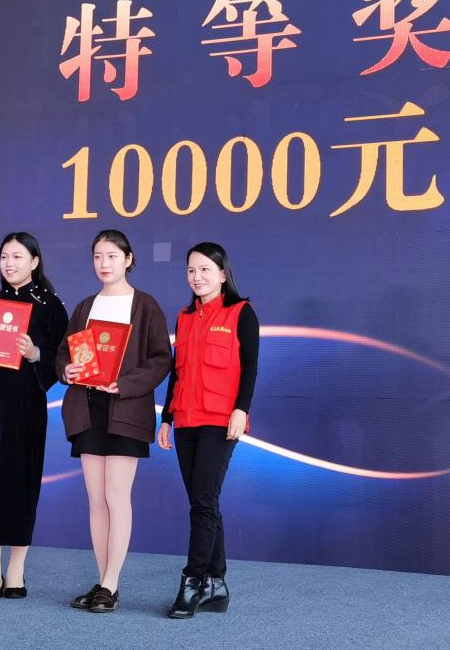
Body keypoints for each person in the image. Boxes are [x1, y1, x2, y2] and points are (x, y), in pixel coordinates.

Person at [56, 230, 172, 613]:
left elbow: (161, 359)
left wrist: (124, 384)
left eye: (111, 256)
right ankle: (103, 579)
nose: (104, 263)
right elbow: (63, 353)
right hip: (88, 409)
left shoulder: (145, 306)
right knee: (95, 500)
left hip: (126, 410)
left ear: (128, 259)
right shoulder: (85, 306)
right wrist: (67, 370)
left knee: (116, 496)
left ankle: (111, 582)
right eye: (97, 256)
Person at [0, 232, 68, 600]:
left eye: (18, 256)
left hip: (26, 404)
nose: (9, 263)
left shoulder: (51, 305)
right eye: (4, 256)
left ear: (34, 262)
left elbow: (62, 360)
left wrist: (37, 353)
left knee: (21, 484)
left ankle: (16, 572)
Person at [157, 242, 259, 618]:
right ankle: (216, 583)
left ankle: (193, 581)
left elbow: (250, 366)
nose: (197, 277)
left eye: (204, 270)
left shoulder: (241, 312)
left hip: (220, 421)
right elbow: (177, 371)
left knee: (202, 500)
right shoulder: (184, 317)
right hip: (186, 420)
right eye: (191, 270)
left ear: (222, 274)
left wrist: (240, 410)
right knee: (204, 503)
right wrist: (166, 418)